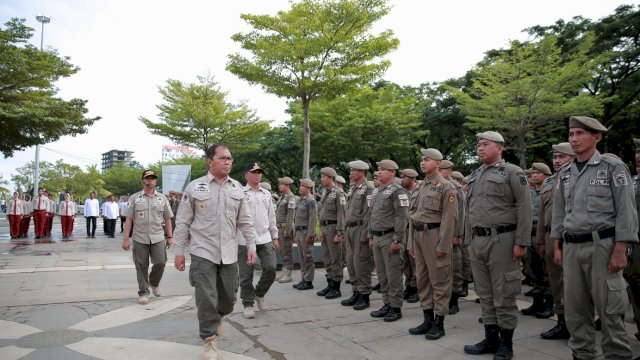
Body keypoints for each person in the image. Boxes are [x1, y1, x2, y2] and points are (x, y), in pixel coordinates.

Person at [551, 116, 638, 360]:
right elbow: (559, 211)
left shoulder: (612, 168)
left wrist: (621, 248)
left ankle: (616, 354)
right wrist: (556, 244)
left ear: (596, 137)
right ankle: (582, 354)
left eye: (580, 133)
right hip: (571, 247)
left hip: (603, 246)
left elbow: (626, 211)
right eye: (571, 134)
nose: (574, 139)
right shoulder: (566, 172)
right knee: (576, 309)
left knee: (610, 308)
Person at [173, 144, 257, 360]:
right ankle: (209, 339)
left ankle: (218, 316)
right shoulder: (195, 187)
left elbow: (245, 221)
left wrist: (251, 245)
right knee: (206, 297)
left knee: (228, 298)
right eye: (223, 158)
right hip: (203, 251)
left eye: (230, 158)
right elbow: (182, 222)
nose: (228, 162)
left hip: (229, 251)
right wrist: (179, 251)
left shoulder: (237, 187)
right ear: (210, 161)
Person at [463, 131, 531, 360]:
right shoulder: (474, 175)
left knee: (504, 294)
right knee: (484, 293)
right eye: (478, 145)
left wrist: (522, 241)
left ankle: (506, 344)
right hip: (478, 240)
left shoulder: (513, 172)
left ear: (500, 148)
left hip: (503, 239)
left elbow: (524, 206)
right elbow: (468, 211)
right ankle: (490, 338)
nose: (480, 148)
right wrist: (467, 240)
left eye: (485, 144)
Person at [407, 149, 458, 340]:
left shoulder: (446, 187)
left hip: (434, 235)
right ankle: (427, 318)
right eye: (421, 159)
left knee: (440, 280)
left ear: (437, 163)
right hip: (419, 236)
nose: (422, 162)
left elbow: (449, 219)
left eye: (426, 159)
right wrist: (411, 242)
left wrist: (443, 246)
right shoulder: (420, 187)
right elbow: (413, 217)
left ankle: (439, 322)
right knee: (422, 279)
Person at [537, 142, 574, 340]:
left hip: (572, 238)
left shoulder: (578, 178)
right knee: (555, 282)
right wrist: (540, 240)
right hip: (551, 237)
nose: (557, 161)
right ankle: (562, 321)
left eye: (562, 157)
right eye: (555, 157)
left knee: (576, 284)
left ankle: (578, 323)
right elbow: (543, 214)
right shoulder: (549, 182)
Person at [122, 170, 174, 305]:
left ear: (155, 181)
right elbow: (128, 219)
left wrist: (170, 236)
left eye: (153, 178)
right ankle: (144, 292)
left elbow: (168, 218)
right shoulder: (134, 198)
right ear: (143, 181)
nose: (150, 180)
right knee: (141, 265)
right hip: (140, 237)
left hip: (157, 237)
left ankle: (154, 283)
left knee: (161, 262)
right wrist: (126, 239)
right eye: (148, 178)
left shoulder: (162, 198)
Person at [367, 159, 409, 322]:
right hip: (377, 237)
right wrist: (370, 235)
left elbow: (402, 217)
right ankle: (387, 303)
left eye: (383, 169)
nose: (379, 172)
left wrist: (397, 239)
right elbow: (372, 215)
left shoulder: (398, 191)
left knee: (393, 275)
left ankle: (396, 307)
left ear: (392, 172)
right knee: (382, 275)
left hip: (390, 237)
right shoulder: (378, 191)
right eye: (378, 169)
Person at [237, 163, 279, 319]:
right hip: (245, 240)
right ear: (246, 175)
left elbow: (271, 217)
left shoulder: (266, 194)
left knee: (271, 268)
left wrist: (275, 236)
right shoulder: (240, 193)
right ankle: (248, 303)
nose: (257, 175)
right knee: (246, 274)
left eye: (259, 172)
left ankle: (259, 293)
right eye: (253, 172)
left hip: (264, 238)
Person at [341, 160, 375, 310]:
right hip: (350, 229)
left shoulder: (368, 188)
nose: (351, 173)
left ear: (362, 171)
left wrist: (366, 233)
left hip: (360, 229)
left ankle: (364, 294)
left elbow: (369, 213)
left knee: (361, 263)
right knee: (351, 263)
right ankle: (356, 291)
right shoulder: (353, 188)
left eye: (354, 170)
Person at [521, 162, 553, 319]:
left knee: (546, 272)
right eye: (532, 173)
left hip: (542, 235)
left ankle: (549, 304)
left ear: (546, 175)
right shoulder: (530, 192)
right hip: (529, 234)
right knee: (532, 271)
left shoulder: (549, 191)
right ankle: (537, 303)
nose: (533, 175)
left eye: (537, 173)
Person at [438, 159, 467, 313]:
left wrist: (457, 234)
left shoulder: (456, 188)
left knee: (454, 267)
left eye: (442, 170)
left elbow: (461, 213)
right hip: (438, 233)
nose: (439, 173)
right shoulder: (436, 186)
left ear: (449, 171)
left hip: (452, 234)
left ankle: (454, 299)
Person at [316, 167, 347, 299]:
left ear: (331, 178)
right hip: (325, 228)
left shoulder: (339, 193)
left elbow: (342, 214)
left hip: (334, 228)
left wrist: (339, 233)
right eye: (321, 177)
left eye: (324, 177)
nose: (322, 179)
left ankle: (336, 287)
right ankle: (330, 283)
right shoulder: (324, 192)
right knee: (327, 258)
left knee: (336, 259)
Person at [624, 137, 640, 340]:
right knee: (635, 289)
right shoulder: (632, 180)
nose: (638, 155)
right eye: (637, 151)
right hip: (635, 244)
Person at [292, 178, 317, 291]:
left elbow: (312, 219)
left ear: (308, 188)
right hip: (299, 232)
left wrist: (310, 234)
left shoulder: (311, 201)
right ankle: (304, 278)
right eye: (300, 186)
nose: (300, 188)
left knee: (308, 257)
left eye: (302, 186)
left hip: (306, 232)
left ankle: (308, 281)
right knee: (302, 257)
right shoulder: (302, 200)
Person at [399, 168, 420, 303]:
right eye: (401, 177)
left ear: (412, 179)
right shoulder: (402, 193)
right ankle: (408, 285)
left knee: (415, 261)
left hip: (414, 230)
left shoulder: (418, 192)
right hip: (404, 229)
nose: (402, 179)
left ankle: (416, 288)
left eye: (404, 177)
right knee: (406, 260)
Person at [275, 176, 299, 284]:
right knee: (282, 251)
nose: (279, 186)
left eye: (281, 184)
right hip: (279, 227)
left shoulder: (291, 198)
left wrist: (288, 230)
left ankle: (288, 273)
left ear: (287, 185)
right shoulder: (283, 197)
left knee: (287, 251)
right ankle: (284, 270)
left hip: (285, 227)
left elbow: (291, 215)